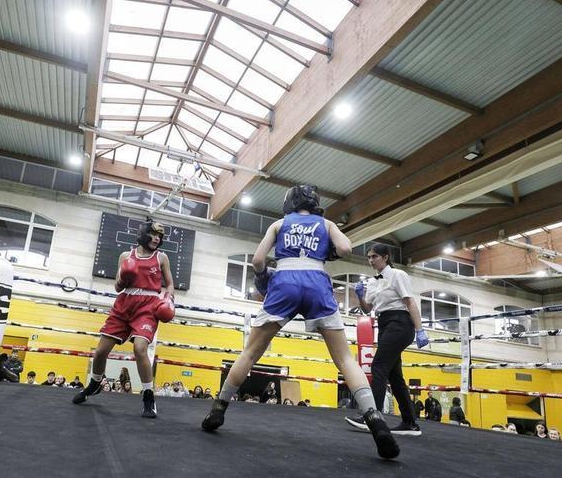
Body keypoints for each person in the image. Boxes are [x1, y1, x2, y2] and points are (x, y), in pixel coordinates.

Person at [200, 185, 399, 460]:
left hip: (284, 281)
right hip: (317, 283)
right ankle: (375, 419)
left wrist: (261, 277)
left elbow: (258, 259)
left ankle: (218, 409)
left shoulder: (280, 224)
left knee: (250, 353)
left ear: (290, 202)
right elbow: (345, 247)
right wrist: (325, 251)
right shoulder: (326, 223)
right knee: (345, 359)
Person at [73, 219, 175, 418]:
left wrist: (169, 299)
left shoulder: (161, 257)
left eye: (160, 237)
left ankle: (148, 396)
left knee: (139, 348)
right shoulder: (126, 256)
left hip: (148, 306)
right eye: (153, 235)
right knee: (100, 352)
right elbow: (117, 287)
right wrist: (124, 278)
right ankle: (95, 383)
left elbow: (170, 284)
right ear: (144, 234)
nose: (156, 239)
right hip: (124, 303)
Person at [352, 243, 426, 437]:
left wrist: (420, 330)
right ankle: (410, 423)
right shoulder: (372, 282)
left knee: (378, 367)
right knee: (394, 375)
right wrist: (360, 295)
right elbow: (367, 309)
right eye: (369, 257)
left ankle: (372, 417)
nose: (370, 260)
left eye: (374, 256)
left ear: (385, 257)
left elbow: (410, 302)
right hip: (384, 324)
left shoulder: (398, 275)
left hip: (400, 323)